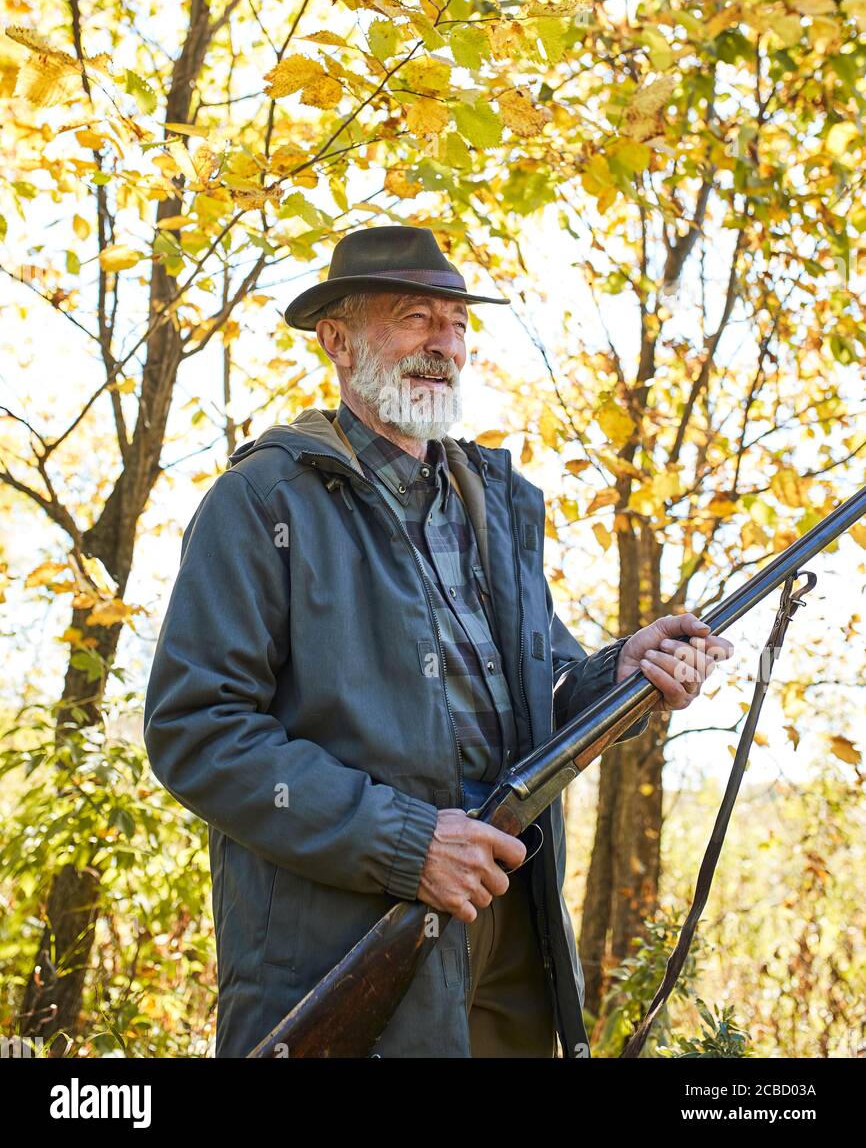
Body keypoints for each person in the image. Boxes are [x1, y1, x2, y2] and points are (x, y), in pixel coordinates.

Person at [144, 224, 733, 1058]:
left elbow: (547, 696)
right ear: (338, 342)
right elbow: (196, 730)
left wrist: (619, 672)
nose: (444, 342)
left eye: (456, 322)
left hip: (510, 927)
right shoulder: (261, 502)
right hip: (341, 934)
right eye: (415, 317)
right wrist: (405, 844)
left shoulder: (498, 507)